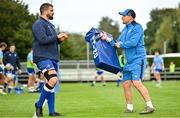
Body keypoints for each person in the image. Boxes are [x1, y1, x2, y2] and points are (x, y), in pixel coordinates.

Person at [100, 9, 154, 114]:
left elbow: (133, 43)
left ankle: (150, 106)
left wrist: (120, 44)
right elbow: (116, 43)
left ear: (130, 17)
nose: (122, 17)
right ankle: (129, 108)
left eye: (124, 15)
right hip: (128, 62)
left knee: (137, 83)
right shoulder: (125, 30)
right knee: (126, 84)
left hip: (138, 59)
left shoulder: (137, 27)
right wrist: (106, 38)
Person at [32, 3, 68, 117]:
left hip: (52, 58)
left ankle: (52, 111)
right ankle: (39, 104)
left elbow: (53, 41)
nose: (53, 12)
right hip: (43, 57)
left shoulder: (51, 25)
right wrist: (57, 36)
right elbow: (42, 40)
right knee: (53, 80)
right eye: (51, 10)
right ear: (45, 11)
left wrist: (60, 39)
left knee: (51, 83)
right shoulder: (38, 24)